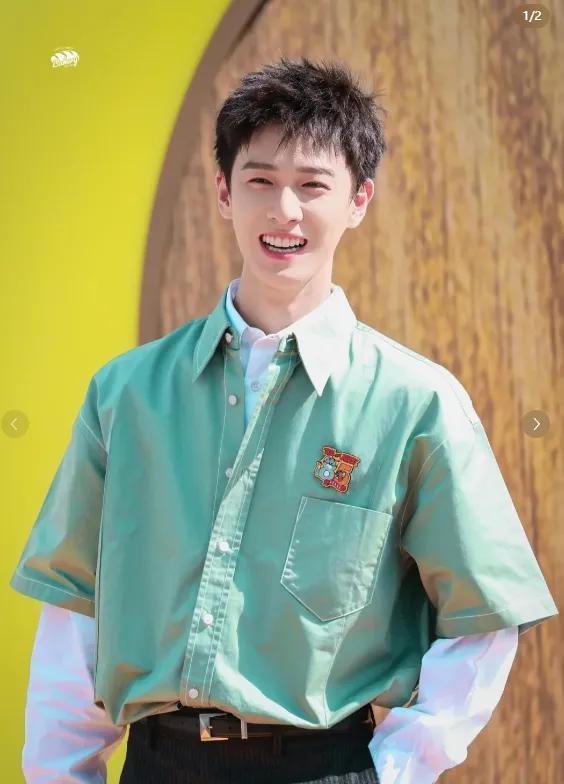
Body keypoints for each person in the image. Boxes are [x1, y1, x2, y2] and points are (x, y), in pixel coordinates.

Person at [10, 56, 558, 784]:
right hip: (157, 765)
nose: (285, 211)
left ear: (359, 199)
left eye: (313, 185)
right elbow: (75, 613)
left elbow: (485, 615)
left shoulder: (415, 402)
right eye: (260, 181)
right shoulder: (126, 394)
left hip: (323, 763)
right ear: (223, 192)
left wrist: (395, 770)